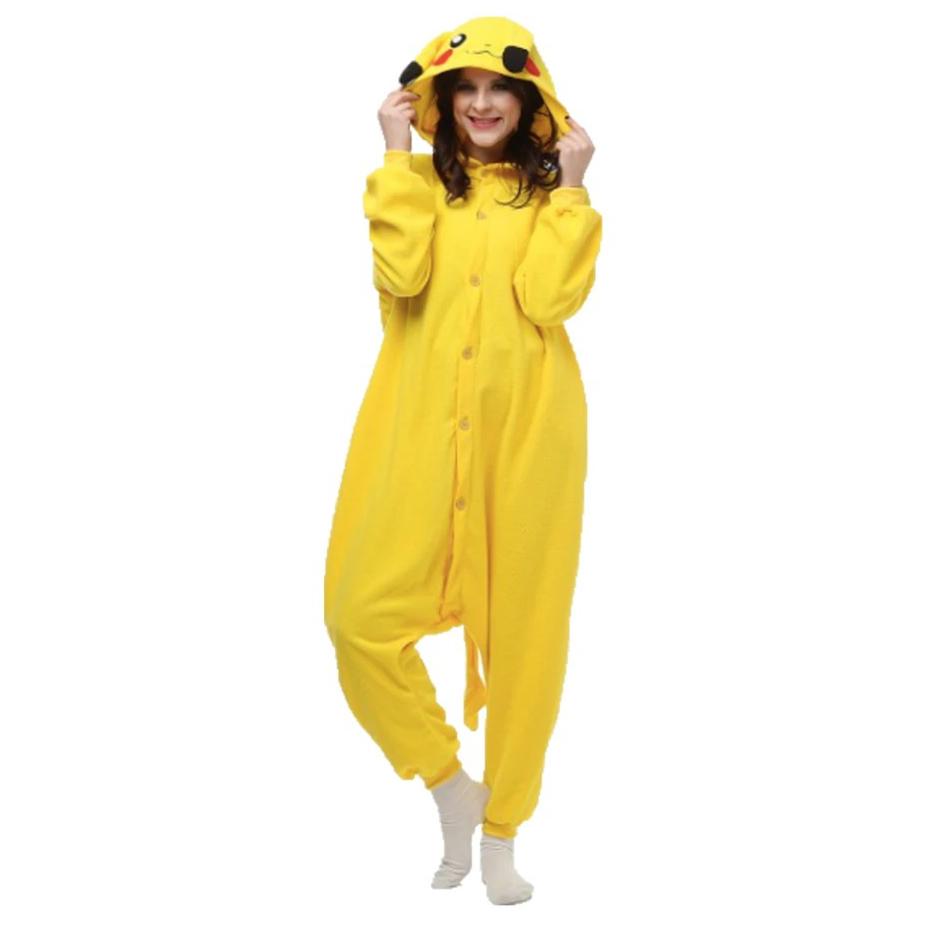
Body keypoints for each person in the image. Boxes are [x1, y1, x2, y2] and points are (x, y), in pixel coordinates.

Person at [323, 15, 602, 905]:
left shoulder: (548, 200)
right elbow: (401, 279)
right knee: (359, 618)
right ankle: (452, 790)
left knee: (526, 636)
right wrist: (395, 153)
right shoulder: (413, 187)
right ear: (441, 102)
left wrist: (572, 190)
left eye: (499, 90)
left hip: (528, 438)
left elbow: (548, 298)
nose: (481, 104)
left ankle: (503, 831)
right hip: (414, 430)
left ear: (529, 102)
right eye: (466, 90)